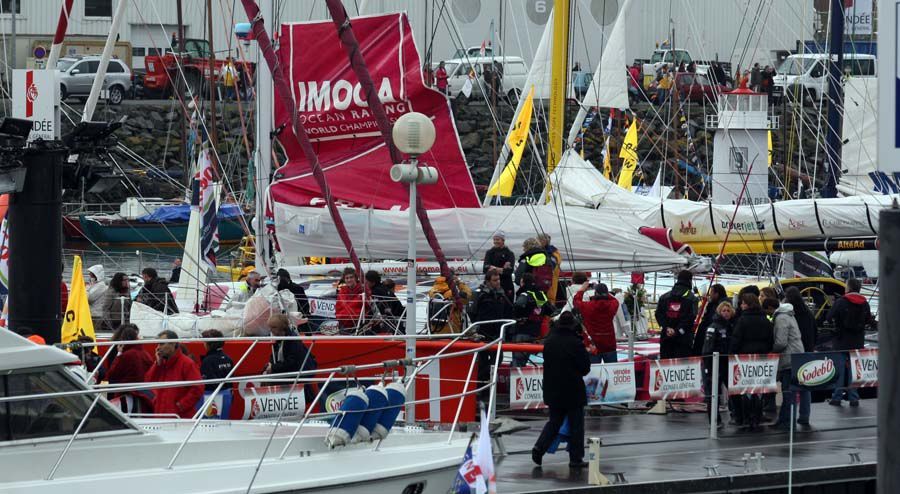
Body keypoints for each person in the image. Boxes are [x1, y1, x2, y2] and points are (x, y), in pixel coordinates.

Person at [531, 312, 591, 469]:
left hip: (553, 388)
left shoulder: (549, 341)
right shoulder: (576, 343)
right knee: (576, 425)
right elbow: (585, 368)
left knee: (554, 422)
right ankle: (575, 458)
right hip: (572, 390)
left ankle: (539, 448)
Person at [729, 294, 774, 430]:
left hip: (744, 357)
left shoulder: (742, 320)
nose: (741, 306)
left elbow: (736, 339)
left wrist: (732, 353)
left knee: (746, 388)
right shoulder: (765, 320)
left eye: (743, 304)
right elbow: (770, 339)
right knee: (759, 389)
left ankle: (747, 417)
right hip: (761, 357)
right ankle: (758, 416)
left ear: (747, 305)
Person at [469, 271, 514, 401]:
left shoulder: (501, 294)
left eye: (498, 280)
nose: (498, 282)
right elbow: (472, 312)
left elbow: (507, 311)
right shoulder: (480, 294)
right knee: (482, 364)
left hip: (497, 334)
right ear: (488, 281)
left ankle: (488, 389)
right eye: (495, 280)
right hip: (483, 334)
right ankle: (481, 391)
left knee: (497, 361)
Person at [827, 278, 872, 407]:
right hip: (857, 342)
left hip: (841, 342)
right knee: (854, 371)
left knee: (840, 371)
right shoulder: (864, 303)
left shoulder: (841, 301)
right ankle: (854, 397)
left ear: (849, 288)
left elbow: (829, 317)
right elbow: (868, 320)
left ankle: (837, 397)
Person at [763, 297, 804, 430]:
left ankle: (787, 422)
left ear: (770, 307)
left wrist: (771, 351)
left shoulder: (781, 319)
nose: (768, 315)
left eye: (767, 311)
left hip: (789, 358)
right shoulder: (787, 315)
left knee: (788, 392)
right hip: (796, 354)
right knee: (789, 391)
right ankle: (784, 420)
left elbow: (781, 342)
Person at [144, 330, 203, 418]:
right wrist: (157, 364)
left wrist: (180, 406)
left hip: (180, 417)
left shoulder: (187, 363)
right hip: (161, 414)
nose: (158, 347)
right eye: (158, 344)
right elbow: (148, 382)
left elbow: (197, 388)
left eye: (162, 344)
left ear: (173, 344)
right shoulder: (161, 364)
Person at [264, 314, 317, 405]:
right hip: (288, 380)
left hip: (296, 380)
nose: (270, 330)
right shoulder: (280, 340)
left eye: (273, 327)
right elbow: (275, 357)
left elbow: (291, 362)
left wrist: (273, 367)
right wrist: (269, 366)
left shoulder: (292, 340)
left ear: (280, 328)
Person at [701, 301, 736, 428]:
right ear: (719, 312)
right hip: (714, 365)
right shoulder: (713, 326)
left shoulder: (731, 326)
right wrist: (708, 367)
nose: (726, 313)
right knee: (713, 394)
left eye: (728, 310)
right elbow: (707, 349)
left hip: (727, 364)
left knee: (734, 391)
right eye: (723, 311)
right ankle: (715, 421)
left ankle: (736, 415)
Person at [106, 324, 154, 414]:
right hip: (142, 394)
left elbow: (111, 374)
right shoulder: (145, 354)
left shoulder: (125, 354)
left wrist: (119, 354)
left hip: (125, 392)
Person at [784, 286, 814, 425]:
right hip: (808, 351)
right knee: (805, 386)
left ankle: (790, 416)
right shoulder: (808, 313)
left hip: (794, 352)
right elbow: (815, 332)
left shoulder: (790, 314)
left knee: (791, 386)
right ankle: (805, 415)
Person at [511, 273, 554, 367]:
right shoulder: (541, 295)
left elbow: (517, 306)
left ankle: (515, 381)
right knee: (525, 361)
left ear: (523, 282)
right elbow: (551, 311)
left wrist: (516, 317)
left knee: (517, 362)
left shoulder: (524, 294)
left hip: (522, 331)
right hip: (535, 333)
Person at [655, 270, 698, 359]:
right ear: (690, 281)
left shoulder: (664, 297)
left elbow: (658, 314)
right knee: (682, 367)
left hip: (666, 337)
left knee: (665, 367)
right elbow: (691, 317)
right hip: (683, 338)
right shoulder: (692, 299)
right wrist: (678, 330)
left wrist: (666, 327)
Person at [573, 282, 619, 363]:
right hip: (609, 344)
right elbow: (614, 299)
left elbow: (576, 302)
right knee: (612, 371)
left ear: (595, 293)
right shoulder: (613, 305)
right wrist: (603, 293)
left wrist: (582, 290)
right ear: (607, 293)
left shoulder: (587, 306)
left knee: (594, 373)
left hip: (593, 344)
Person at [693, 283, 727, 355]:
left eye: (711, 292)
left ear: (716, 294)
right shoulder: (712, 304)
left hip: (712, 339)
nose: (710, 294)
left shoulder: (721, 305)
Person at [482, 231, 516, 298]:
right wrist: (501, 269)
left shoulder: (509, 253)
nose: (495, 241)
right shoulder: (489, 253)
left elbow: (508, 271)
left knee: (507, 306)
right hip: (492, 286)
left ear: (503, 240)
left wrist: (493, 268)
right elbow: (485, 269)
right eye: (494, 239)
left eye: (497, 239)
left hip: (506, 285)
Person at [537, 233, 563, 306]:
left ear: (544, 241)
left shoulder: (553, 252)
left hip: (548, 281)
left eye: (539, 240)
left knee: (549, 300)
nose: (537, 242)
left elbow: (553, 265)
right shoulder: (539, 251)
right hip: (541, 281)